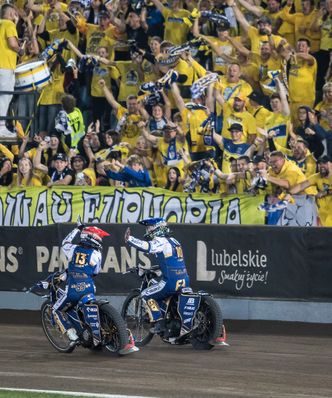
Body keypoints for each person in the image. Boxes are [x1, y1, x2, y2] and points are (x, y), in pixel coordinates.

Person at [124, 217, 190, 334]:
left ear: (157, 228)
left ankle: (160, 323)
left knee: (145, 294)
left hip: (170, 282)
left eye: (149, 228)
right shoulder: (174, 241)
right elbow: (171, 261)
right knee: (159, 290)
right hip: (184, 279)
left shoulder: (161, 241)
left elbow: (147, 246)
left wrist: (130, 239)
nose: (147, 231)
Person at [51, 222, 110, 346]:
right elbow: (96, 272)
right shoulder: (96, 254)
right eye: (98, 237)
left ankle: (72, 336)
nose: (99, 239)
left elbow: (65, 243)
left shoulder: (72, 249)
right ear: (90, 237)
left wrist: (76, 229)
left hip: (73, 290)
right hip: (89, 287)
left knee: (56, 310)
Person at [0, 4, 21, 138]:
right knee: (4, 97)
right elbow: (13, 44)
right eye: (14, 13)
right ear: (10, 14)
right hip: (5, 66)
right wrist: (20, 50)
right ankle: (1, 128)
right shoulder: (9, 24)